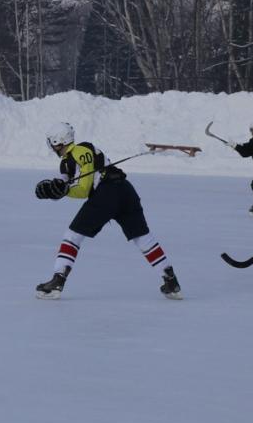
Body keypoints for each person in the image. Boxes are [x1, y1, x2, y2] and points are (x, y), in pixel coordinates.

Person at [33, 122, 183, 300]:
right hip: (126, 191)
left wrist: (63, 191)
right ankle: (171, 282)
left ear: (58, 141)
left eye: (52, 142)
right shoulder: (68, 161)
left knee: (72, 236)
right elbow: (64, 183)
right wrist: (54, 190)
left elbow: (83, 188)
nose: (51, 146)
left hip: (106, 193)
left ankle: (57, 281)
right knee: (143, 237)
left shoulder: (80, 151)